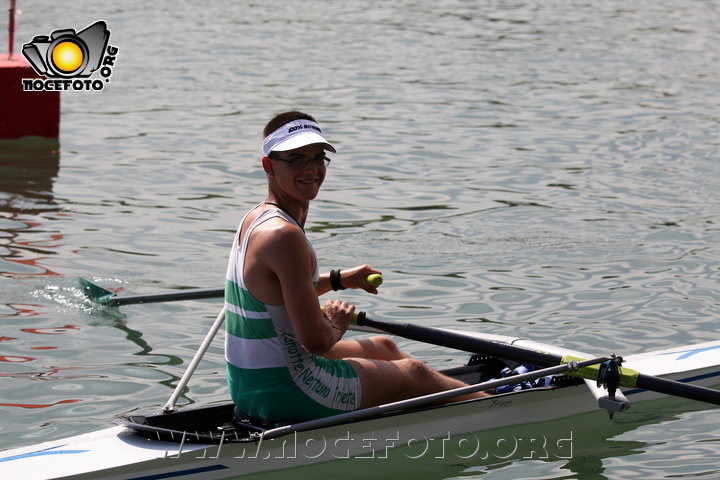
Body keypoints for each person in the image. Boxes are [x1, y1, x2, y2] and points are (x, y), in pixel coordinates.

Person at [224, 111, 488, 422]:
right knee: (414, 372)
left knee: (384, 346)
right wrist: (336, 324)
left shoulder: (257, 218)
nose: (310, 169)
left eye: (317, 158)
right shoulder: (285, 237)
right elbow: (317, 343)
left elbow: (276, 290)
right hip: (288, 390)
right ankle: (502, 411)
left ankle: (445, 402)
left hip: (248, 387)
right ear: (269, 165)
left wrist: (337, 280)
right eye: (295, 159)